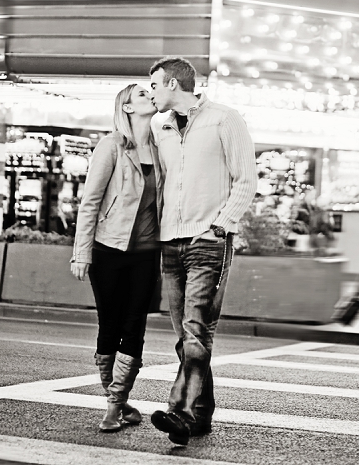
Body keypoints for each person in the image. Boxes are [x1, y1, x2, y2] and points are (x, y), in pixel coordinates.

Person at [146, 57, 257, 445]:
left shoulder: (224, 119)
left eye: (156, 85)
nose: (151, 93)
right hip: (170, 242)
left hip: (208, 241)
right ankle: (200, 417)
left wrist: (220, 226)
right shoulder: (158, 125)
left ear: (175, 84)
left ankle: (179, 410)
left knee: (195, 333)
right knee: (189, 338)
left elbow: (246, 180)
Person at [70, 84, 162, 432]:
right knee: (110, 323)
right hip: (107, 248)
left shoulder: (162, 146)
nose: (149, 96)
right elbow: (90, 201)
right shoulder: (111, 146)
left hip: (147, 251)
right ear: (126, 107)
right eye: (141, 94)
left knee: (135, 324)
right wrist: (81, 253)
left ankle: (113, 405)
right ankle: (118, 400)